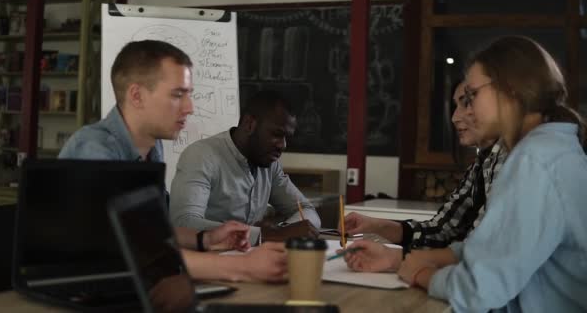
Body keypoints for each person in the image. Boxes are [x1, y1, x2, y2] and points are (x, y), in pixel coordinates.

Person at [59, 40, 287, 283]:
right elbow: (122, 250)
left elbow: (147, 232)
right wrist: (241, 267)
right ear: (136, 96)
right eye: (178, 95)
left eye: (189, 95)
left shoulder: (151, 146)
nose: (189, 108)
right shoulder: (94, 149)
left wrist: (205, 239)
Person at [397, 36, 587, 312]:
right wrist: (420, 259)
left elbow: (478, 290)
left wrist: (421, 275)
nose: (468, 110)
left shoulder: (534, 160)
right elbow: (501, 244)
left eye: (473, 95)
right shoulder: (556, 148)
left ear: (510, 89)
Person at [342, 81, 508, 272]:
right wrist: (377, 226)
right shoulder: (484, 161)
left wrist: (397, 259)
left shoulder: (512, 158)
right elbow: (444, 231)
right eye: (457, 106)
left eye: (468, 103)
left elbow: (481, 253)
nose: (455, 117)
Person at [170, 90, 321, 245]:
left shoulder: (269, 164)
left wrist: (283, 231)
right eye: (276, 134)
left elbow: (306, 209)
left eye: (286, 138)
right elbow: (183, 223)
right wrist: (266, 235)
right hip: (205, 263)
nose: (282, 145)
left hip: (250, 261)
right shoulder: (202, 155)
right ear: (250, 124)